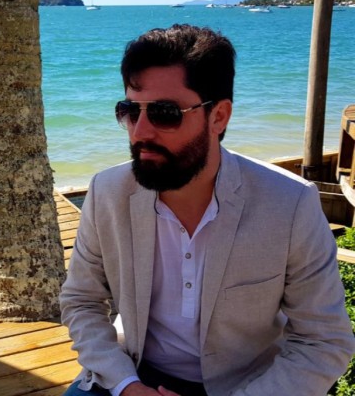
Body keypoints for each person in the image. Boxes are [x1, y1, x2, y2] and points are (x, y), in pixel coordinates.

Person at [60, 24, 355, 396]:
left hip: (249, 386)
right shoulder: (108, 192)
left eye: (165, 112)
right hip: (134, 369)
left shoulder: (289, 203)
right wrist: (126, 385)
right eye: (131, 111)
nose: (140, 132)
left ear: (218, 116)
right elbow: (82, 301)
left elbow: (323, 341)